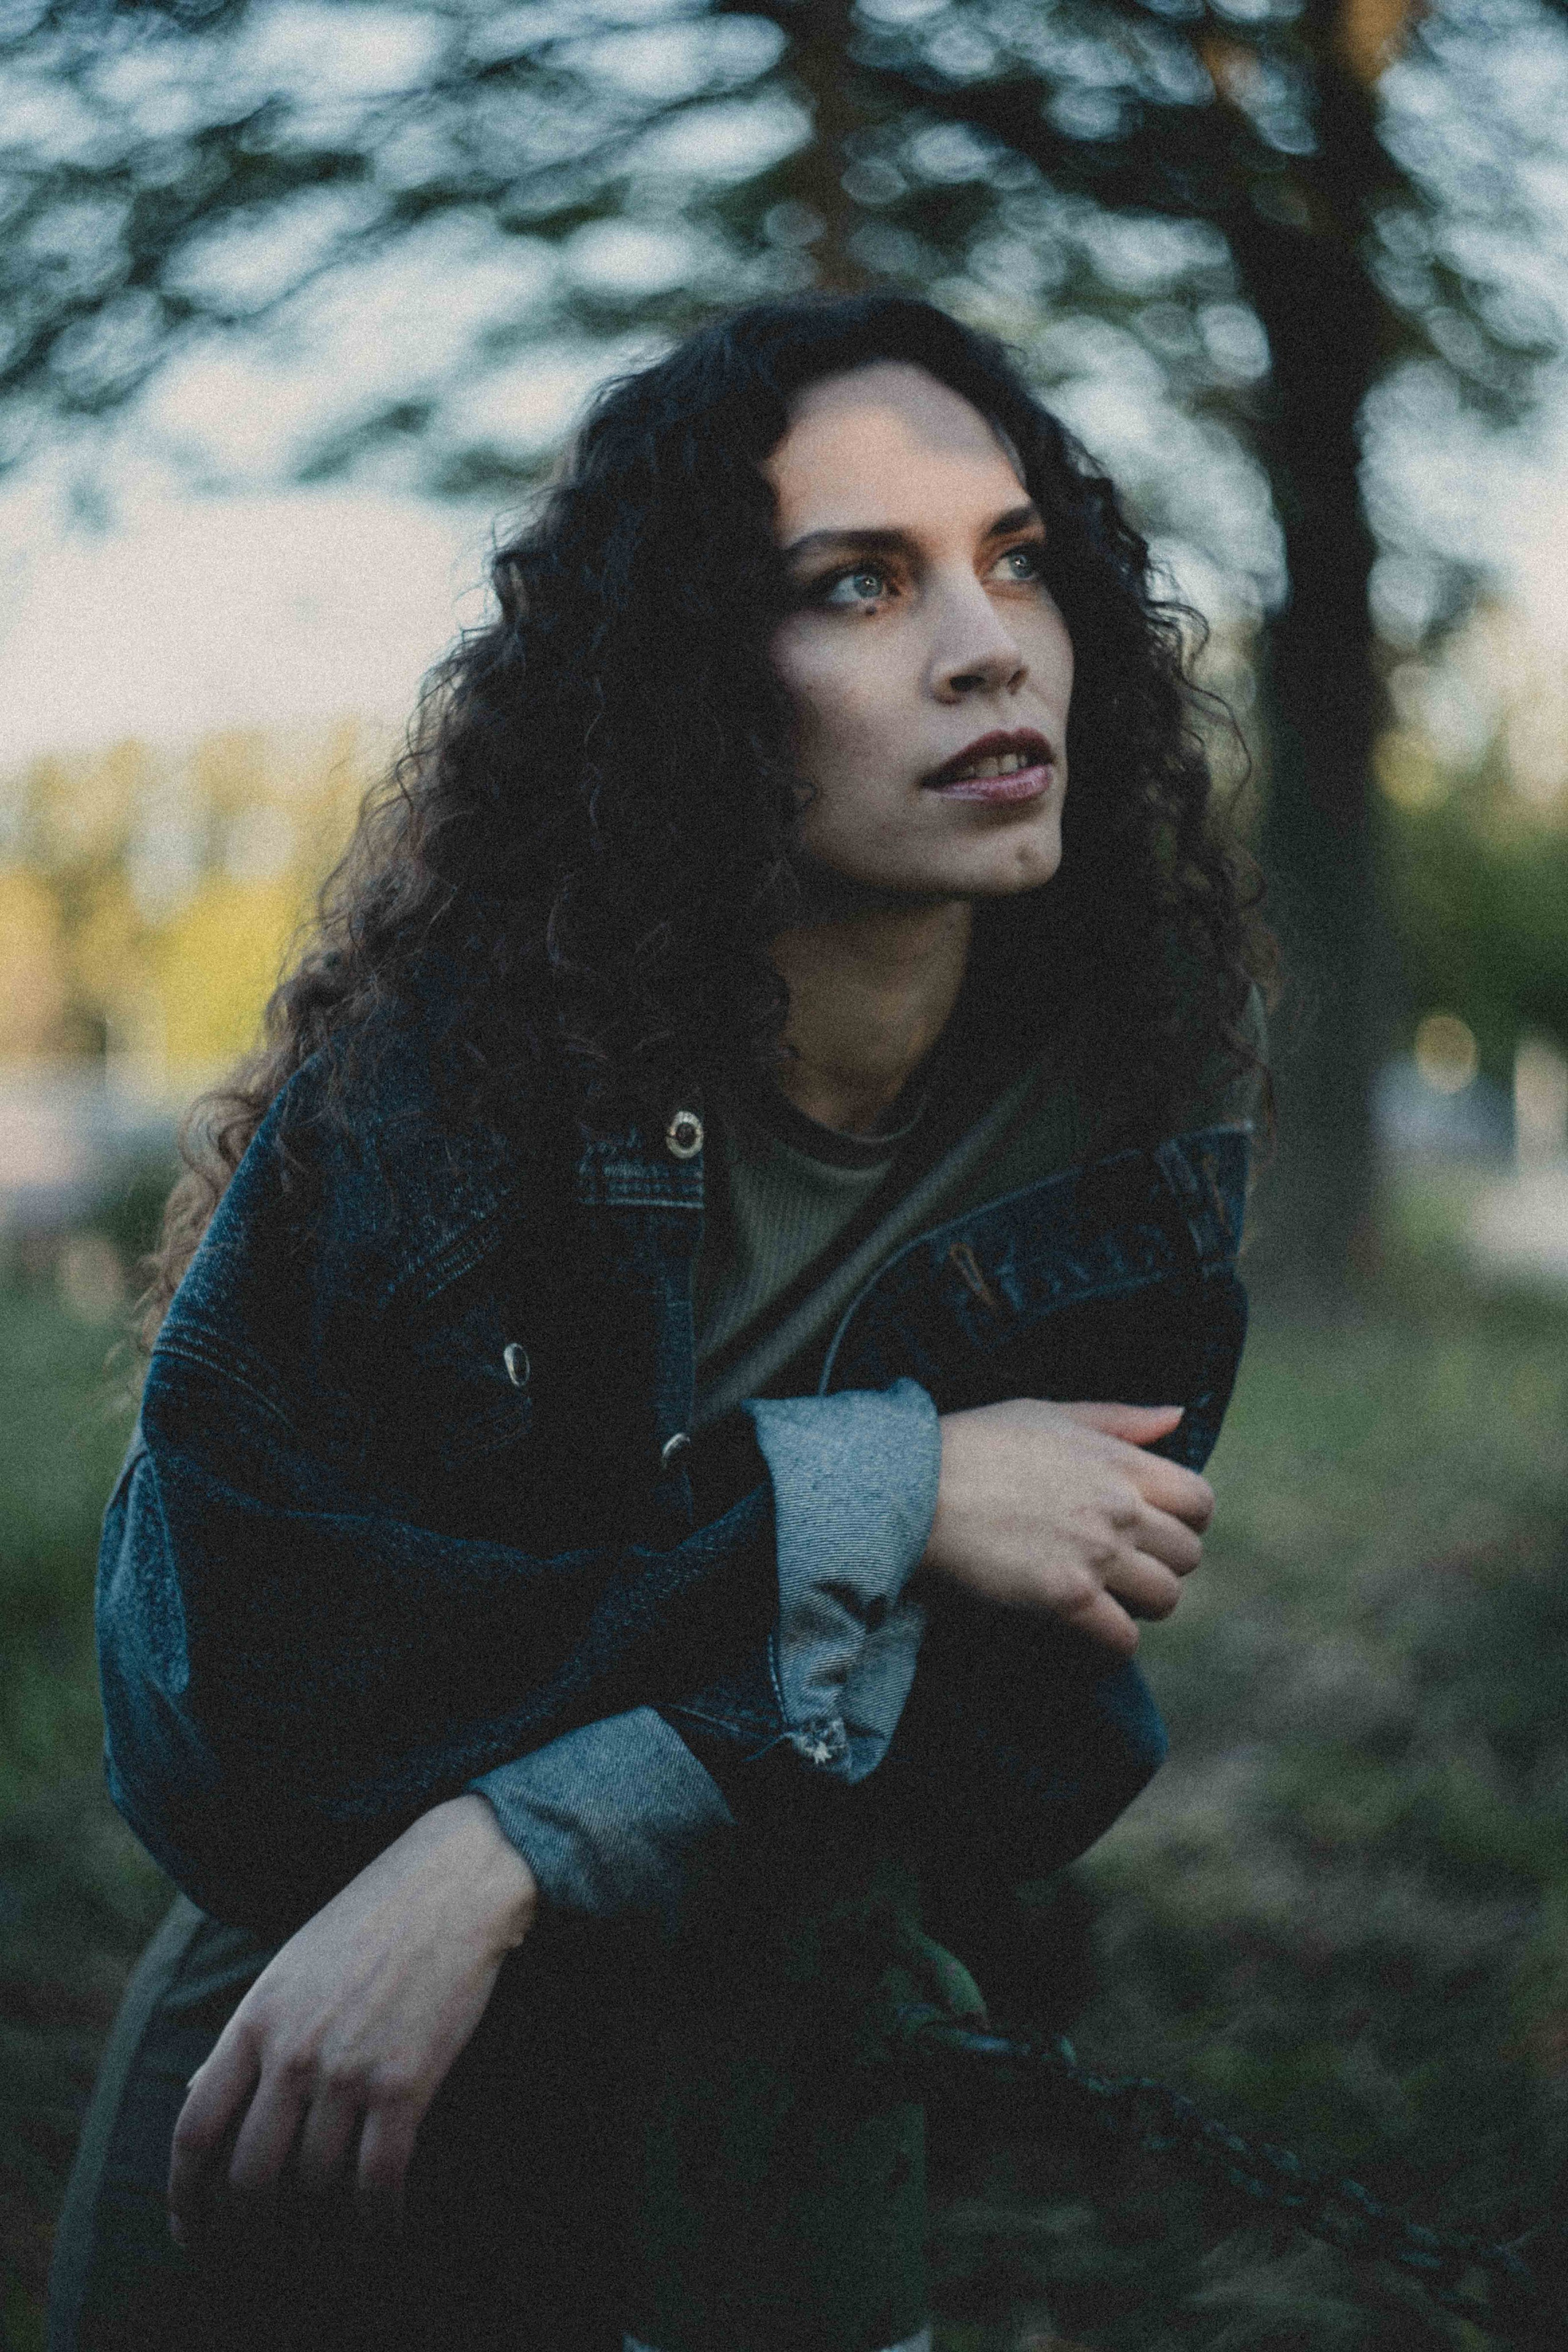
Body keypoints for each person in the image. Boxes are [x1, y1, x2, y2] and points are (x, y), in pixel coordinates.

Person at [50, 290, 1270, 2352]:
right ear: (696, 682)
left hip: (776, 2093)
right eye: (859, 584)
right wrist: (889, 1492)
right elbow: (236, 1698)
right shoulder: (447, 1084)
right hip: (340, 2062)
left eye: (1020, 560)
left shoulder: (1116, 1101)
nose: (989, 644)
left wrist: (512, 1841)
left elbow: (1008, 1733)